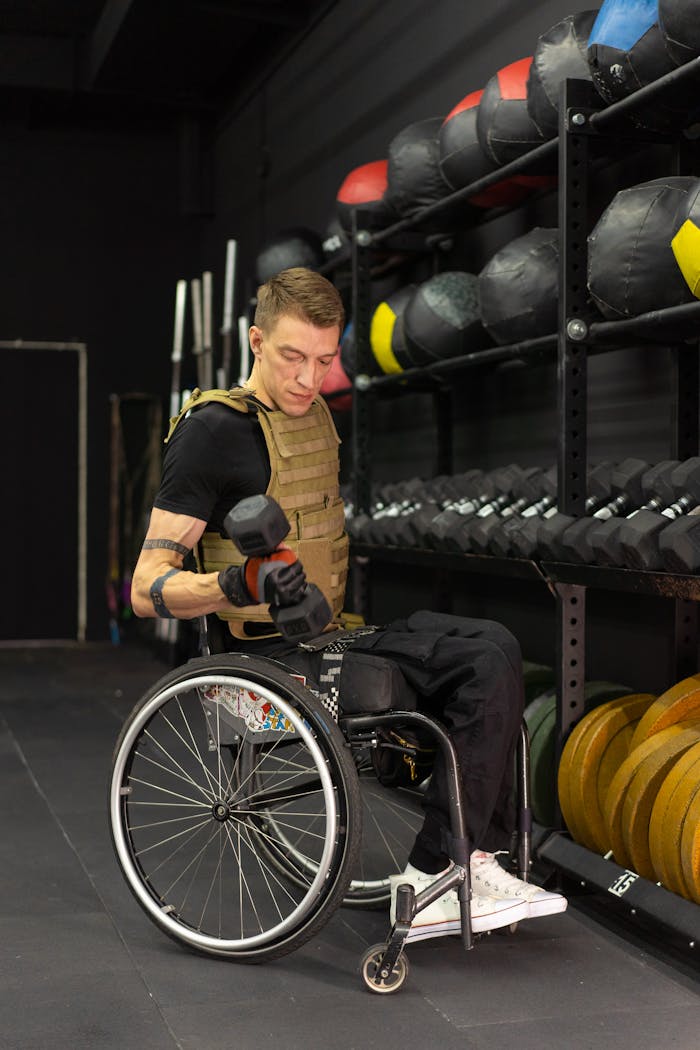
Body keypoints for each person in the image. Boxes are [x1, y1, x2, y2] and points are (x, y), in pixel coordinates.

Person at [131, 265, 567, 942]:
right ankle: (440, 872)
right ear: (255, 340)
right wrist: (236, 585)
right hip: (262, 660)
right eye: (292, 358)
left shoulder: (320, 423)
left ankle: (460, 863)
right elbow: (146, 586)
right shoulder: (212, 432)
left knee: (490, 647)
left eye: (325, 361)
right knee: (476, 659)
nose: (309, 379)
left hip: (326, 635)